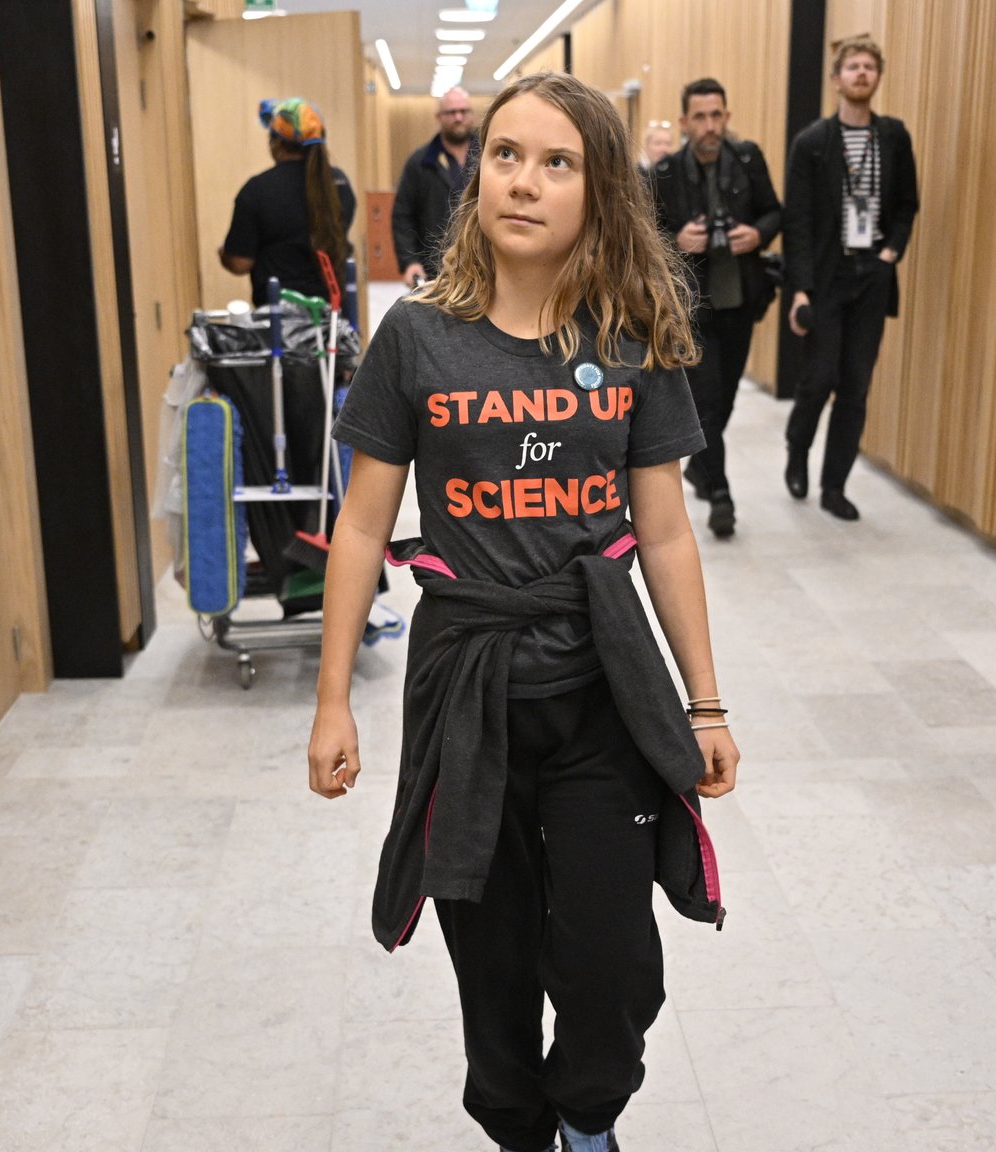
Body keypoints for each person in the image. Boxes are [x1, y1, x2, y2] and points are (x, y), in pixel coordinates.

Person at [305, 72, 740, 1152]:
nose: (524, 182)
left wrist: (706, 703)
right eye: (505, 155)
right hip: (467, 695)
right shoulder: (415, 338)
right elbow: (361, 528)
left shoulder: (632, 334)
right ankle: (523, 1133)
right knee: (490, 973)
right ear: (474, 172)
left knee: (613, 971)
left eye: (557, 163)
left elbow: (667, 533)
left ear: (597, 190)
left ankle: (587, 1116)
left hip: (600, 691)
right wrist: (330, 705)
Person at [781, 34, 919, 522]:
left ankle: (833, 485)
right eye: (853, 66)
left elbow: (907, 204)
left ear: (877, 77)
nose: (862, 74)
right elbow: (796, 219)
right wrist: (799, 287)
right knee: (819, 378)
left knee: (855, 385)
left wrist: (890, 252)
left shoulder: (894, 137)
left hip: (872, 274)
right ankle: (797, 449)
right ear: (836, 78)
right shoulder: (813, 143)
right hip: (827, 274)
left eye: (870, 67)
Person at [650, 78, 781, 539]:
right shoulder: (664, 172)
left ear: (726, 116)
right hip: (692, 307)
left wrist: (758, 234)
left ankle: (701, 469)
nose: (709, 126)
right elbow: (645, 237)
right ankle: (721, 492)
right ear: (685, 122)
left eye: (716, 115)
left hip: (740, 299)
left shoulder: (748, 159)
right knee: (706, 402)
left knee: (723, 401)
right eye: (700, 117)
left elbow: (774, 210)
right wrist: (676, 241)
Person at [218, 97, 356, 304]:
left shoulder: (257, 190)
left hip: (279, 321)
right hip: (333, 317)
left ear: (276, 142)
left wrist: (223, 253)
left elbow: (239, 263)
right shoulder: (340, 184)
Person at [393, 86, 476, 286]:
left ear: (471, 115)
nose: (458, 117)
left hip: (484, 266)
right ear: (439, 117)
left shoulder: (490, 157)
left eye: (463, 111)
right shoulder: (420, 162)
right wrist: (409, 261)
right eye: (451, 112)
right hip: (434, 271)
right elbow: (403, 215)